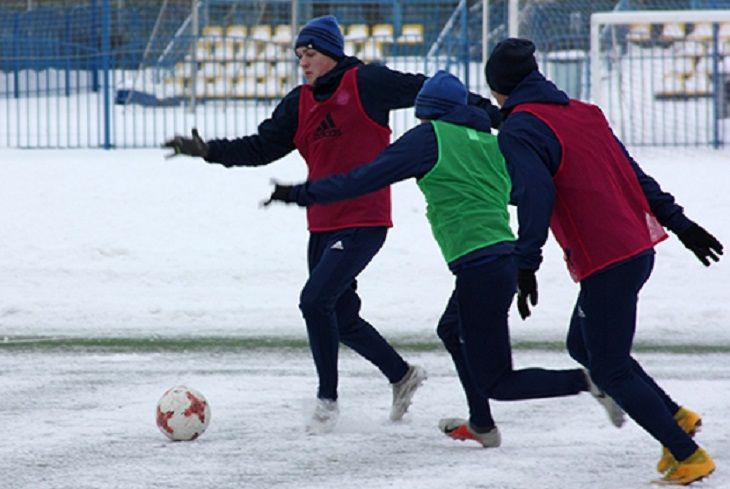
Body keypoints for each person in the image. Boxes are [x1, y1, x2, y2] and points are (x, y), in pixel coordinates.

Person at [162, 15, 500, 434]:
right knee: (340, 314)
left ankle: (327, 402)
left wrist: (496, 113)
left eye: (311, 53)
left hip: (364, 217)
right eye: (299, 55)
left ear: (333, 53)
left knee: (314, 301)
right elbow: (262, 147)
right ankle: (401, 374)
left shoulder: (366, 83)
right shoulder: (298, 102)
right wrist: (207, 149)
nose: (303, 62)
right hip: (321, 222)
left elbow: (430, 90)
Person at [262, 70, 626, 448]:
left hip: (480, 268)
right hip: (499, 261)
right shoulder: (490, 142)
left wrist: (301, 194)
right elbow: (530, 193)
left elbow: (365, 178)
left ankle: (589, 382)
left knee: (499, 381)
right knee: (451, 329)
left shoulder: (429, 138)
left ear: (429, 111)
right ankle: (482, 424)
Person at [484, 38, 723, 485]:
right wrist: (681, 224)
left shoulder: (520, 129)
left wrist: (526, 261)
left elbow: (536, 196)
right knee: (585, 347)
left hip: (606, 259)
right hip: (635, 247)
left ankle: (687, 455)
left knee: (609, 365)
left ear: (500, 86)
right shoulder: (582, 112)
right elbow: (632, 173)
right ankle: (676, 416)